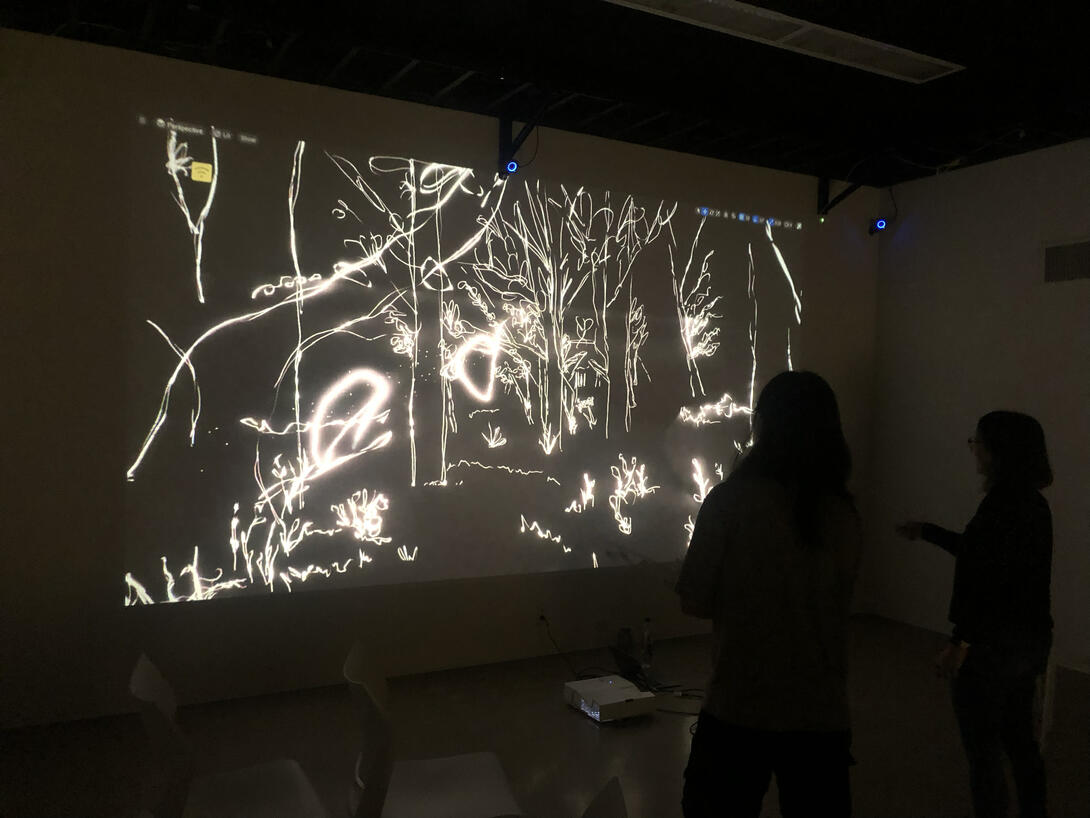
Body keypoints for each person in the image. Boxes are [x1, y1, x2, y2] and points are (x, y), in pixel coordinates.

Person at [677, 371, 861, 817]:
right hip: (820, 711)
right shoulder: (842, 511)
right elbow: (838, 601)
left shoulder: (729, 501)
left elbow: (695, 600)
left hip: (740, 704)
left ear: (762, 424)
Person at [897, 411, 1053, 818]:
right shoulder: (1034, 505)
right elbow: (981, 555)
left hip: (991, 651)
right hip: (1028, 643)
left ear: (998, 451)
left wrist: (960, 643)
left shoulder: (1000, 507)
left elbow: (984, 581)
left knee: (984, 753)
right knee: (1020, 743)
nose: (973, 450)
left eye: (977, 442)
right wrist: (928, 531)